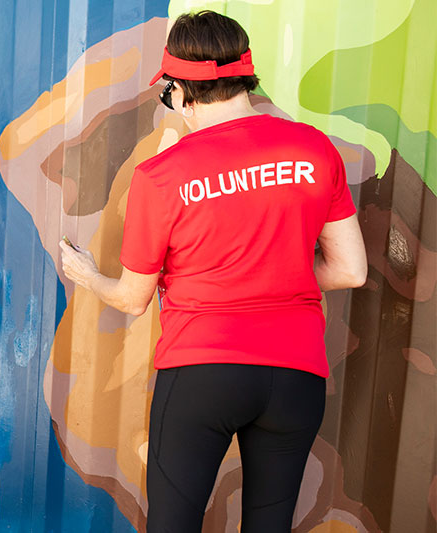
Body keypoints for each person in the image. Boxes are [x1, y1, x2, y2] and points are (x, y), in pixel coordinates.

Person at [59, 11, 367, 533]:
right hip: (296, 374)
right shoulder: (315, 149)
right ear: (245, 76)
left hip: (203, 369)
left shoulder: (161, 175)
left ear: (181, 91)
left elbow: (134, 299)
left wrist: (87, 275)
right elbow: (350, 269)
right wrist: (276, 272)